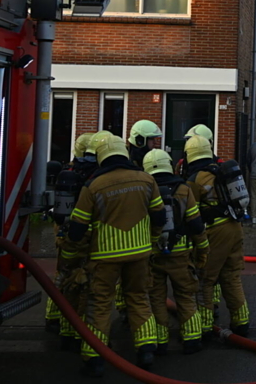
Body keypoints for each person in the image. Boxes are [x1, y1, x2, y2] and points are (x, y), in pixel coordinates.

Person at [61, 132, 166, 377]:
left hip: (105, 256)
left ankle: (94, 358)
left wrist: (70, 254)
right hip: (140, 252)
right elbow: (159, 217)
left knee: (99, 304)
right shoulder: (147, 180)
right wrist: (151, 241)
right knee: (139, 297)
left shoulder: (93, 186)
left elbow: (77, 228)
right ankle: (147, 349)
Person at [142, 149, 209, 355]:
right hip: (180, 254)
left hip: (153, 254)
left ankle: (161, 341)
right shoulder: (183, 189)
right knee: (186, 295)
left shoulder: (144, 189)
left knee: (156, 297)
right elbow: (196, 223)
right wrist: (203, 248)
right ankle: (192, 339)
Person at [183, 135, 250, 337]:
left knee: (205, 278)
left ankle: (205, 326)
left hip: (216, 231)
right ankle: (242, 321)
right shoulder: (219, 172)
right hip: (234, 226)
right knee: (231, 277)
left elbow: (190, 212)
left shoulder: (195, 179)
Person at [45, 132, 99, 348]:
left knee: (63, 274)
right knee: (82, 281)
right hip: (83, 233)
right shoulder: (93, 176)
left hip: (64, 231)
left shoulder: (68, 172)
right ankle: (76, 329)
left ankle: (53, 316)